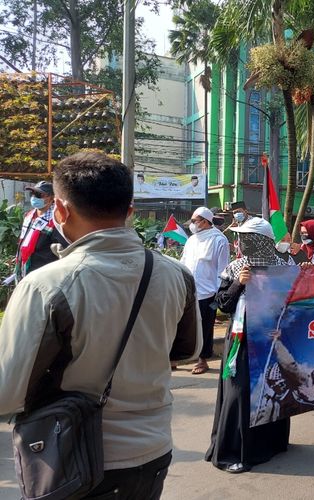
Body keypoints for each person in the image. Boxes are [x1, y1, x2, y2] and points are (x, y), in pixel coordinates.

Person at [0, 151, 201, 499]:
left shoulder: (46, 286)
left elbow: (7, 393)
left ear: (59, 210)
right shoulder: (176, 274)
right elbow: (188, 351)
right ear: (130, 211)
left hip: (75, 459)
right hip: (153, 452)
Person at [206, 217, 293, 473]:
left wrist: (284, 326)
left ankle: (272, 443)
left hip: (271, 341)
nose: (241, 242)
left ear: (262, 241)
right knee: (240, 392)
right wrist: (238, 284)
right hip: (242, 341)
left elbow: (293, 303)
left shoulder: (284, 265)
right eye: (241, 238)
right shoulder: (236, 268)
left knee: (272, 390)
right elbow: (221, 304)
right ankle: (235, 451)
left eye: (247, 238)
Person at [181, 206, 230, 374]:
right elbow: (184, 262)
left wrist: (218, 294)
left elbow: (222, 269)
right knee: (182, 325)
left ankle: (203, 360)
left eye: (195, 221)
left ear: (205, 221)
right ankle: (178, 357)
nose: (192, 224)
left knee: (205, 328)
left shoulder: (219, 240)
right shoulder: (191, 240)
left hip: (208, 293)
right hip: (188, 291)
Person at [14, 181, 66, 282]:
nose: (34, 197)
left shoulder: (56, 220)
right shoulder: (29, 216)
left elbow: (62, 249)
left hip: (43, 274)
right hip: (25, 269)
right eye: (32, 194)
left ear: (51, 198)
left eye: (39, 194)